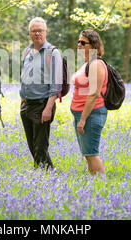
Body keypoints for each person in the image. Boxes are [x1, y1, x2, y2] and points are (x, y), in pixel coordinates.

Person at [20, 17, 63, 170]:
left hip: (42, 105)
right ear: (29, 33)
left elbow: (56, 84)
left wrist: (48, 108)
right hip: (27, 105)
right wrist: (22, 100)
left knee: (40, 147)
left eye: (40, 30)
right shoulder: (27, 52)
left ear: (46, 32)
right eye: (34, 31)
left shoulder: (53, 53)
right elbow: (24, 76)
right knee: (33, 146)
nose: (37, 33)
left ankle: (44, 178)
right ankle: (48, 176)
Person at [70, 29, 108, 176]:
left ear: (93, 45)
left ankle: (100, 186)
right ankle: (95, 186)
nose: (79, 44)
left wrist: (83, 119)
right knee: (88, 153)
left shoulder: (96, 64)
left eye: (83, 42)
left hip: (91, 115)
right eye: (78, 41)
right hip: (82, 114)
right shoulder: (87, 63)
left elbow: (94, 94)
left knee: (92, 153)